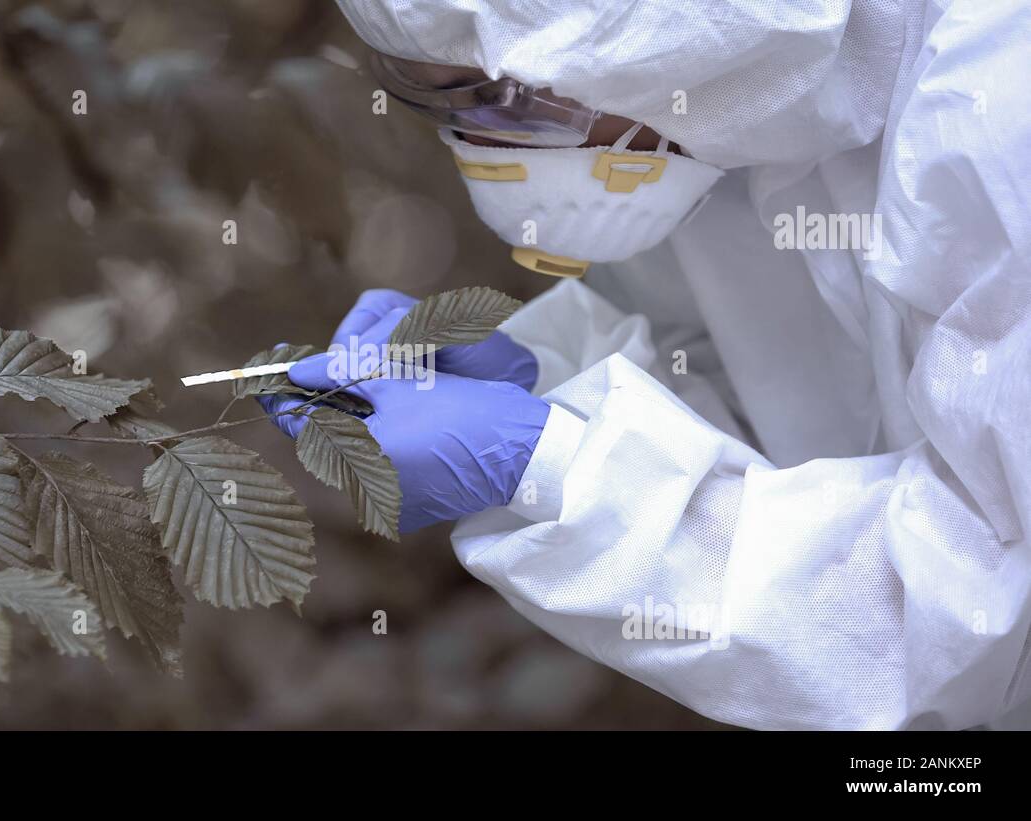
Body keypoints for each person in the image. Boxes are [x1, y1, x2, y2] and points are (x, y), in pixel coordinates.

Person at [259, 0, 1031, 730]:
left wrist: (553, 469)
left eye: (495, 97)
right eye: (435, 102)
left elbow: (983, 609)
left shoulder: (1000, 103)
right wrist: (548, 373)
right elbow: (748, 375)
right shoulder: (704, 100)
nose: (477, 143)